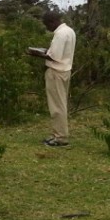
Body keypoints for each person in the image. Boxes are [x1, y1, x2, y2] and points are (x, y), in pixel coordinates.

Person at [28, 11, 76, 147]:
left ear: (52, 22)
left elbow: (54, 56)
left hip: (56, 72)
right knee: (60, 103)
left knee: (57, 106)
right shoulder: (69, 30)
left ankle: (61, 137)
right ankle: (58, 134)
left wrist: (35, 54)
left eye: (46, 25)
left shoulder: (60, 34)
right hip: (65, 70)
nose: (47, 28)